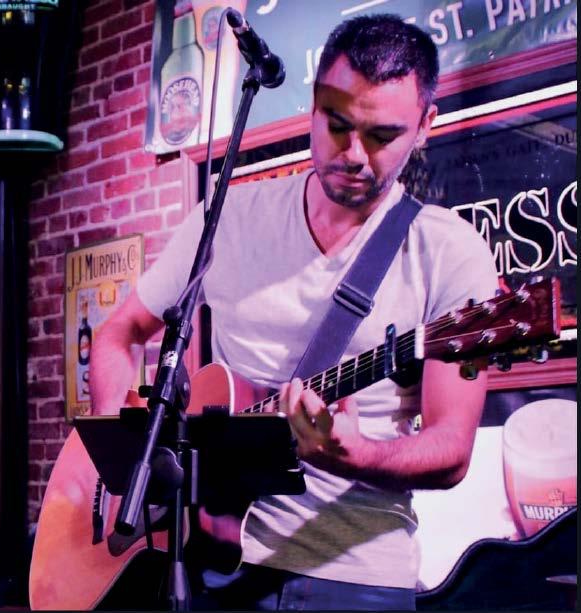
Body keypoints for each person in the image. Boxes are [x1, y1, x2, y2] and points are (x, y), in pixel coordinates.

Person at [89, 13, 498, 611]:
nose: (353, 154)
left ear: (424, 126)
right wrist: (115, 468)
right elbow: (119, 333)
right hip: (207, 563)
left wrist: (356, 455)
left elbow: (452, 450)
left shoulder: (449, 252)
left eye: (382, 136)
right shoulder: (228, 218)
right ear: (312, 105)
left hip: (354, 578)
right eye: (337, 125)